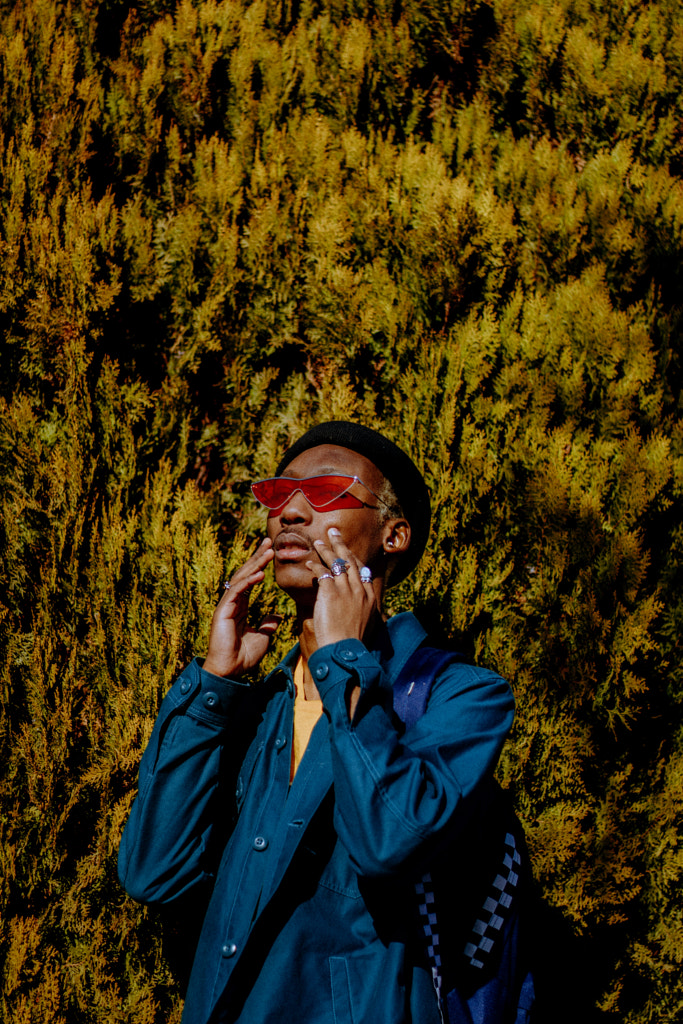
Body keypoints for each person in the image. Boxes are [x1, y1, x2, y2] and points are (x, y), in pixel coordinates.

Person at [118, 420, 534, 1024]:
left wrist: (344, 664)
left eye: (327, 493)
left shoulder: (461, 698)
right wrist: (212, 689)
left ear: (393, 536)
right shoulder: (255, 709)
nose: (291, 512)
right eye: (279, 495)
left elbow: (388, 844)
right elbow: (155, 874)